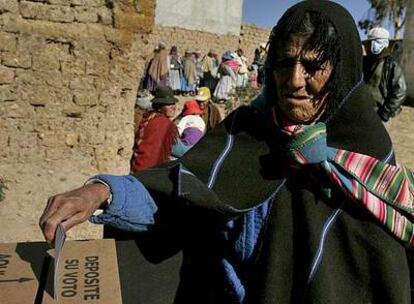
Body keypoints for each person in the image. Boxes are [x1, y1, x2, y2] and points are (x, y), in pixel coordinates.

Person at [40, 2, 414, 303]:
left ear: (343, 70)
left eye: (314, 65)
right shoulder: (246, 131)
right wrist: (101, 192)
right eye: (285, 62)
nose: (295, 79)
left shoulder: (368, 162)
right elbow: (176, 191)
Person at [363, 27, 407, 122]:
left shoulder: (391, 65)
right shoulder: (365, 61)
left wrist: (384, 113)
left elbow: (400, 91)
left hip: (378, 117)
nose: (367, 46)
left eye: (370, 43)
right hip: (362, 113)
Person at [130, 86, 178, 173]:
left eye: (173, 103)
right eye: (168, 104)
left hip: (137, 167)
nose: (173, 107)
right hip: (151, 171)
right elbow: (176, 148)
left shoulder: (149, 117)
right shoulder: (165, 124)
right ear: (159, 106)